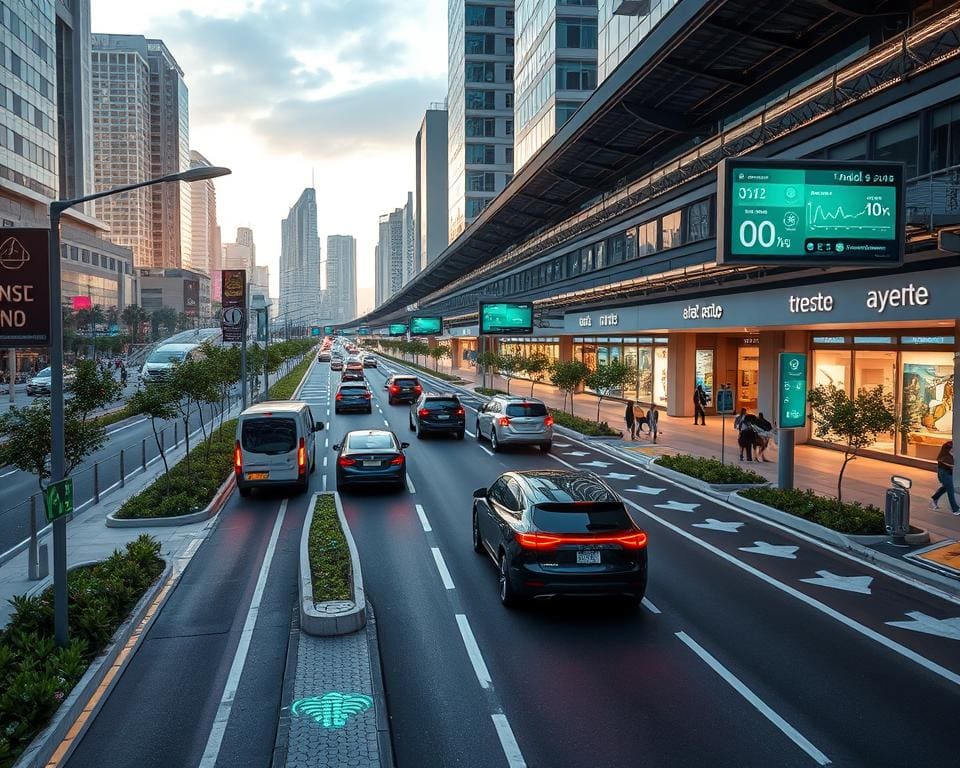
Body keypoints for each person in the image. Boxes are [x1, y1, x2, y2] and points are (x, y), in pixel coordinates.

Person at [931, 441, 959, 515]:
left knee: (946, 487)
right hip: (944, 473)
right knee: (950, 490)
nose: (952, 451)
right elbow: (952, 465)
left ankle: (935, 498)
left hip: (948, 472)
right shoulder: (945, 456)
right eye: (951, 450)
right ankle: (955, 509)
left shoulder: (951, 449)